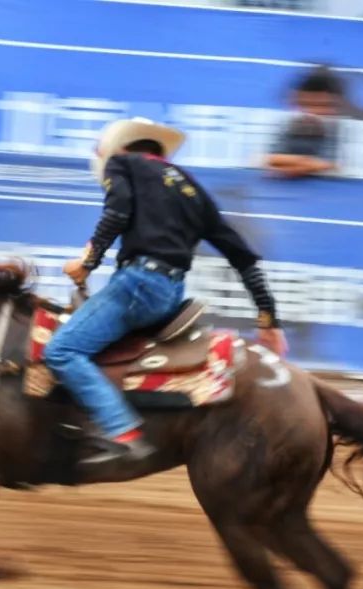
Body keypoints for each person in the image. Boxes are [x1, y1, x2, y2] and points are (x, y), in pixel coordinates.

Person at [44, 118, 288, 466]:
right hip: (170, 293)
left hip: (138, 284)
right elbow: (243, 257)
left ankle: (122, 431)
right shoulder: (192, 187)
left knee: (62, 350)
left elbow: (117, 212)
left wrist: (88, 260)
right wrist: (268, 318)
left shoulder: (123, 163)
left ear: (123, 149)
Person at [265, 67, 344, 179]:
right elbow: (271, 159)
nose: (313, 112)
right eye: (306, 104)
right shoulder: (288, 122)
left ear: (335, 105)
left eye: (323, 106)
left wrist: (291, 166)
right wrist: (308, 164)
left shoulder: (338, 127)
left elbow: (331, 165)